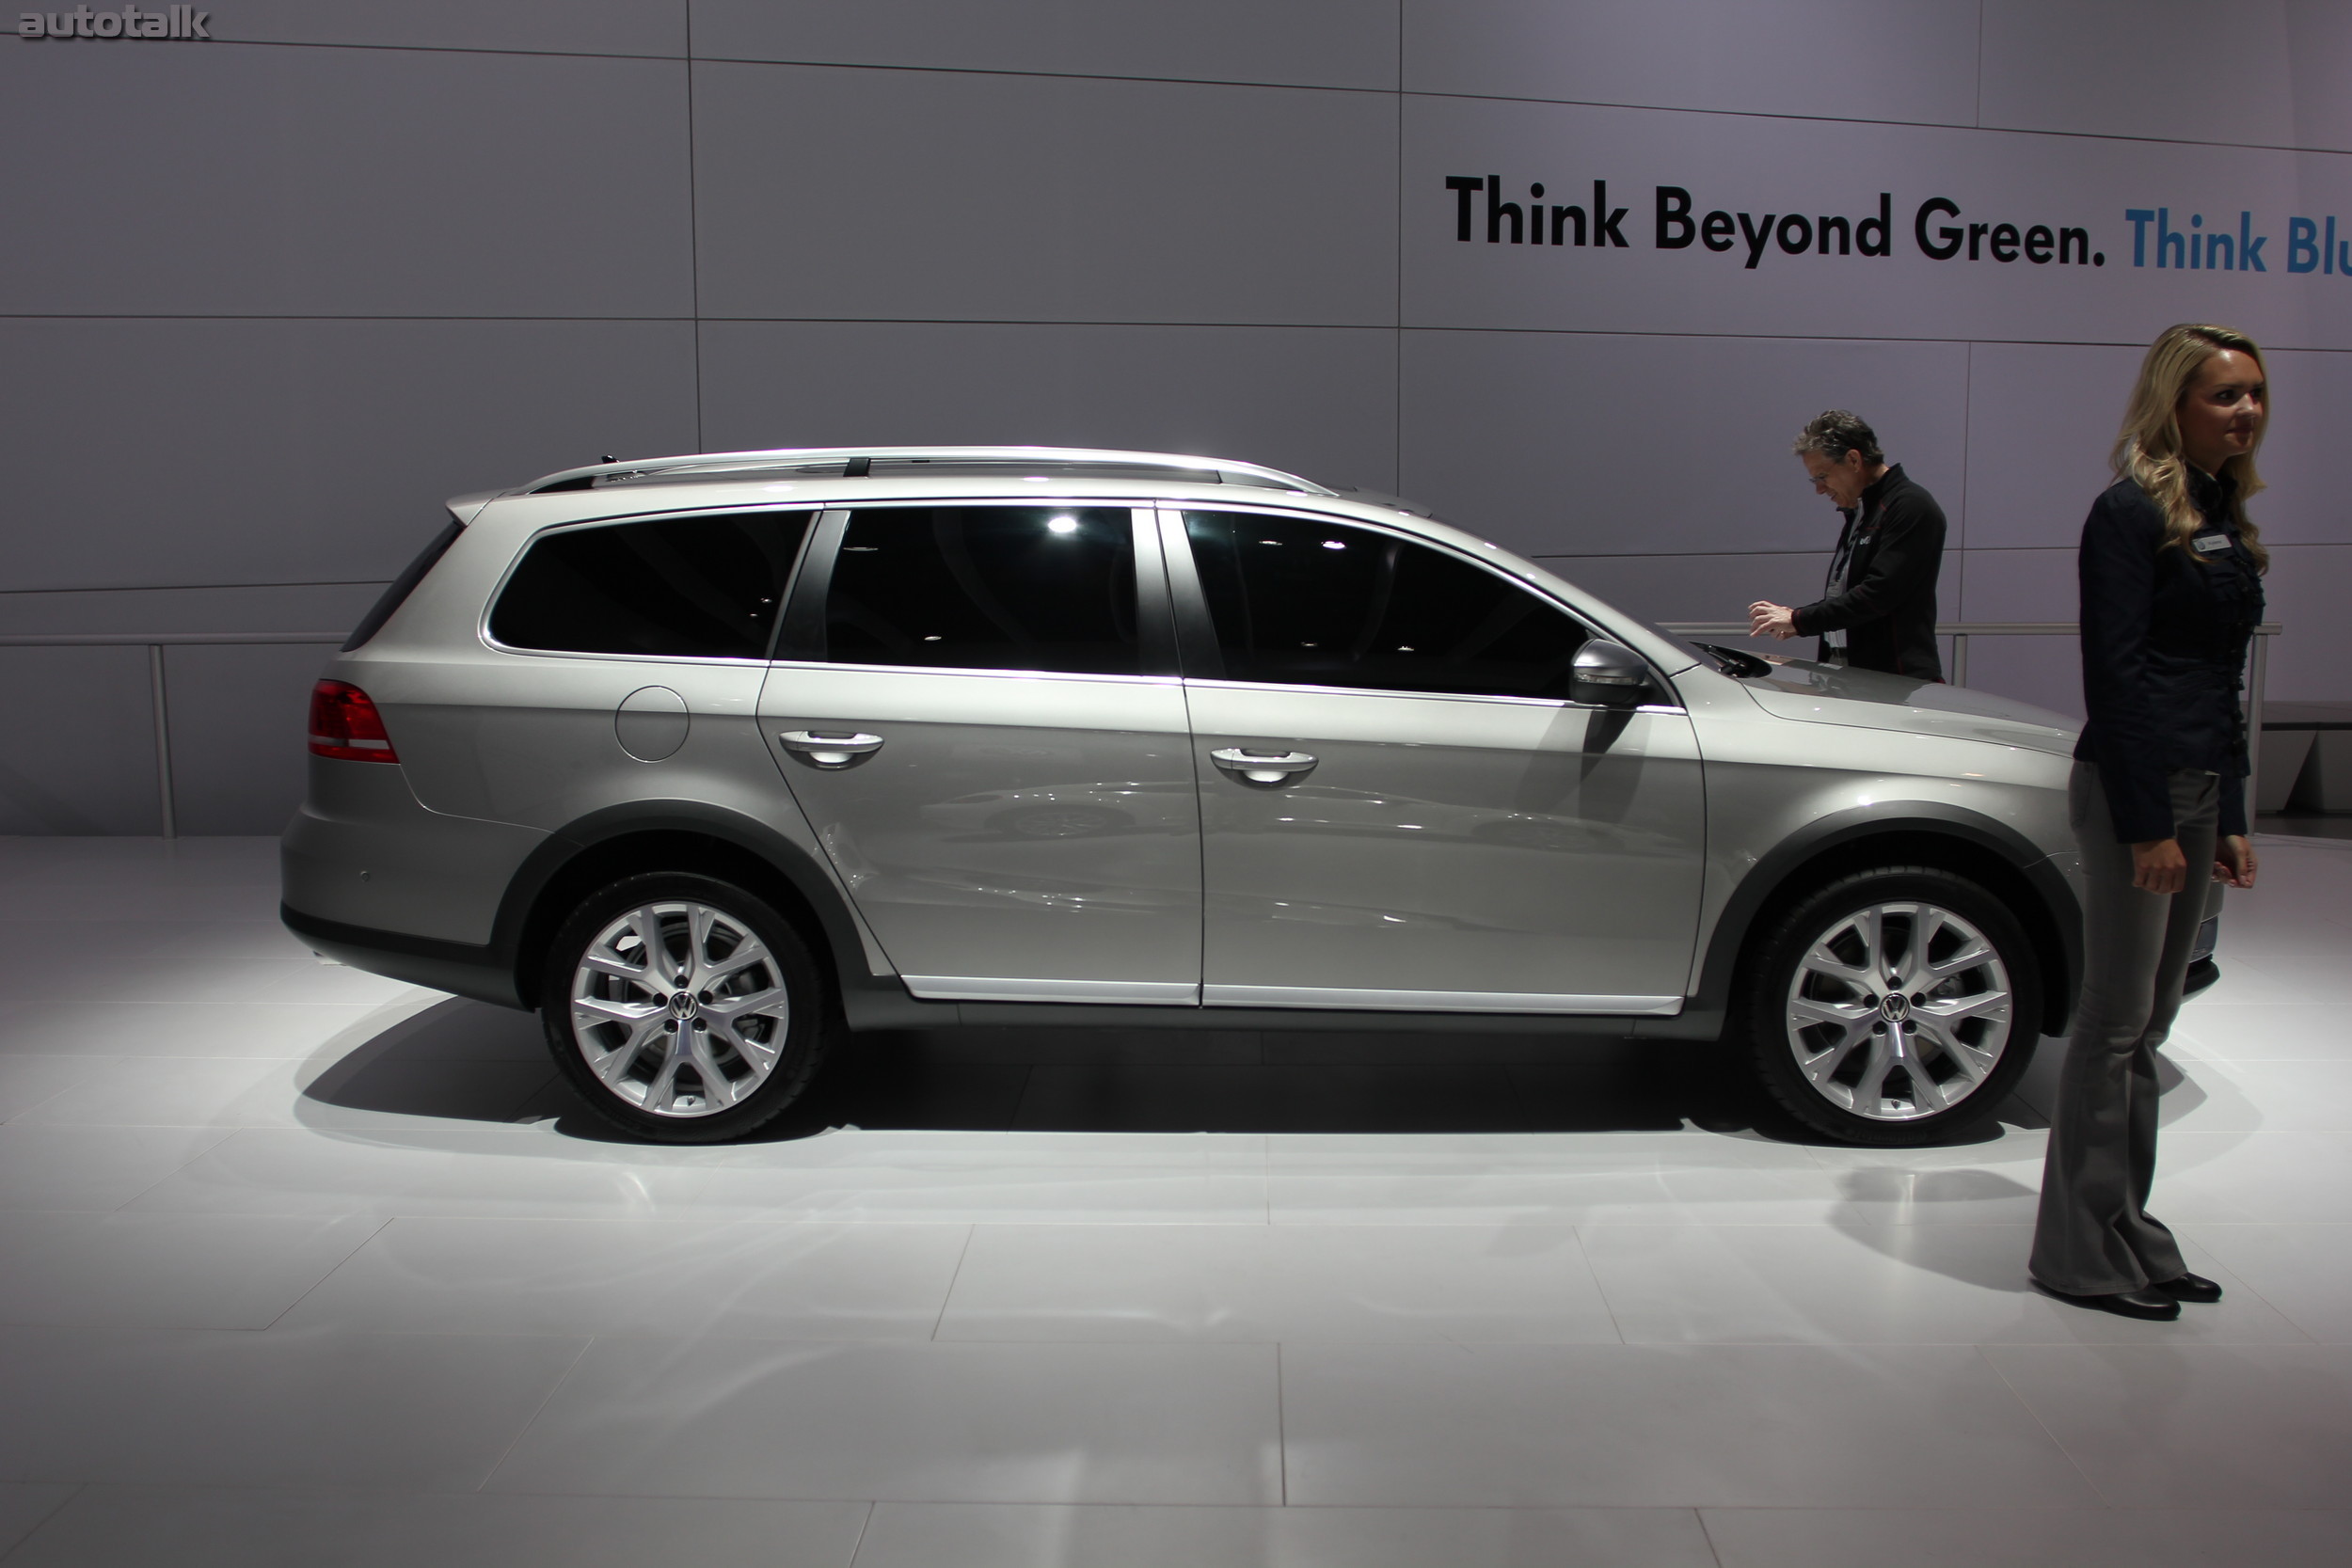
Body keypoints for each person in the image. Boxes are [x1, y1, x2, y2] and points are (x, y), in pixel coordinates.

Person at [2030, 323, 2267, 1321]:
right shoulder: (2125, 514)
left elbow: (2221, 679)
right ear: (2173, 402)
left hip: (2199, 789)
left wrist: (2236, 808)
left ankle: (2128, 1225)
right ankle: (2077, 1250)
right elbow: (2116, 678)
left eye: (2254, 392)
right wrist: (2147, 824)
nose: (2246, 410)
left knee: (2155, 1022)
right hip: (2138, 792)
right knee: (2112, 1021)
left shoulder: (2218, 515)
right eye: (2224, 395)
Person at [1748, 411, 1947, 680]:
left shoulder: (1910, 506)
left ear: (1854, 459)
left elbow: (1878, 595)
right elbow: (1848, 593)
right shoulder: (1861, 510)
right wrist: (1798, 619)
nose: (1820, 489)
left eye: (1822, 476)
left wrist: (1800, 620)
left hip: (1895, 681)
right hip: (1849, 673)